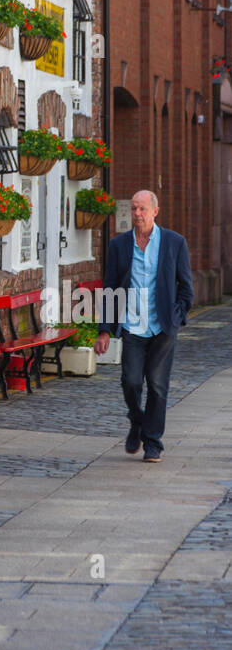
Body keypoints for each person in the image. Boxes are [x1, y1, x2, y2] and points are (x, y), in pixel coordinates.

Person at [95, 189, 193, 463]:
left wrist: (177, 317)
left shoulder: (174, 243)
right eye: (134, 209)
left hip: (162, 328)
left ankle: (152, 443)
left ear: (155, 211)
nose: (137, 214)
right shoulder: (119, 245)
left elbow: (186, 288)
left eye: (142, 209)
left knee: (158, 386)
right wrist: (105, 330)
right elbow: (110, 288)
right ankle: (137, 421)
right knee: (131, 381)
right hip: (132, 326)